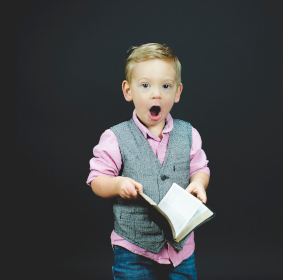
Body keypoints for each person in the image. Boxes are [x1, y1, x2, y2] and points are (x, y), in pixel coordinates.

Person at [87, 43, 210, 280]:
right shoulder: (115, 137)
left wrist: (199, 182)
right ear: (128, 91)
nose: (156, 94)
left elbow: (200, 168)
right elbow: (96, 180)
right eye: (145, 85)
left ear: (177, 92)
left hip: (180, 249)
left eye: (166, 86)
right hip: (133, 248)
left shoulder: (189, 133)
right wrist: (117, 184)